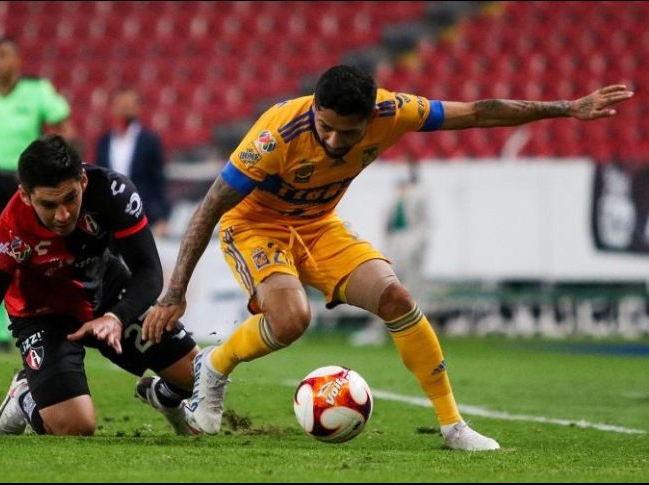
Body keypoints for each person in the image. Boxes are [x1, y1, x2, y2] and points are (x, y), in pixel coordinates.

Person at [143, 65, 633, 450]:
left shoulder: (395, 111)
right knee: (291, 319)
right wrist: (175, 292)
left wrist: (568, 107)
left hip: (318, 226)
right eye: (327, 128)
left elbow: (481, 111)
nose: (336, 142)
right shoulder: (276, 135)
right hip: (254, 226)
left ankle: (453, 426)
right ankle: (214, 367)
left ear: (370, 117)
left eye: (348, 134)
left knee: (396, 297)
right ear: (314, 107)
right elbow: (210, 207)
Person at [0, 135, 199, 436]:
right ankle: (24, 396)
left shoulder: (113, 192)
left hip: (106, 292)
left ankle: (163, 396)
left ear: (82, 181)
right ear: (25, 195)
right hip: (42, 315)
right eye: (48, 204)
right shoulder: (12, 229)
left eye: (70, 198)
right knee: (76, 426)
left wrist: (116, 316)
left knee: (196, 375)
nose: (63, 215)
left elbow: (149, 270)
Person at [0, 36, 77, 351]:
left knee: (29, 251)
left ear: (18, 60)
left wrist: (67, 164)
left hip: (28, 183)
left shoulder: (37, 90)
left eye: (3, 55)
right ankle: (4, 332)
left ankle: (42, 314)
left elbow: (64, 126)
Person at [350, 160, 429, 346]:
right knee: (386, 287)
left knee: (412, 291)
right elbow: (388, 222)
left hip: (411, 243)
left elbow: (424, 224)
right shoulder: (394, 196)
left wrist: (417, 246)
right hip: (394, 244)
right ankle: (377, 330)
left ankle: (417, 336)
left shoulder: (420, 194)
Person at [95, 87, 171, 238]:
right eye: (121, 105)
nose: (125, 110)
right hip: (111, 218)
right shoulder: (104, 142)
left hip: (143, 215)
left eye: (129, 105)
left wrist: (162, 217)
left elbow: (158, 181)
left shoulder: (149, 141)